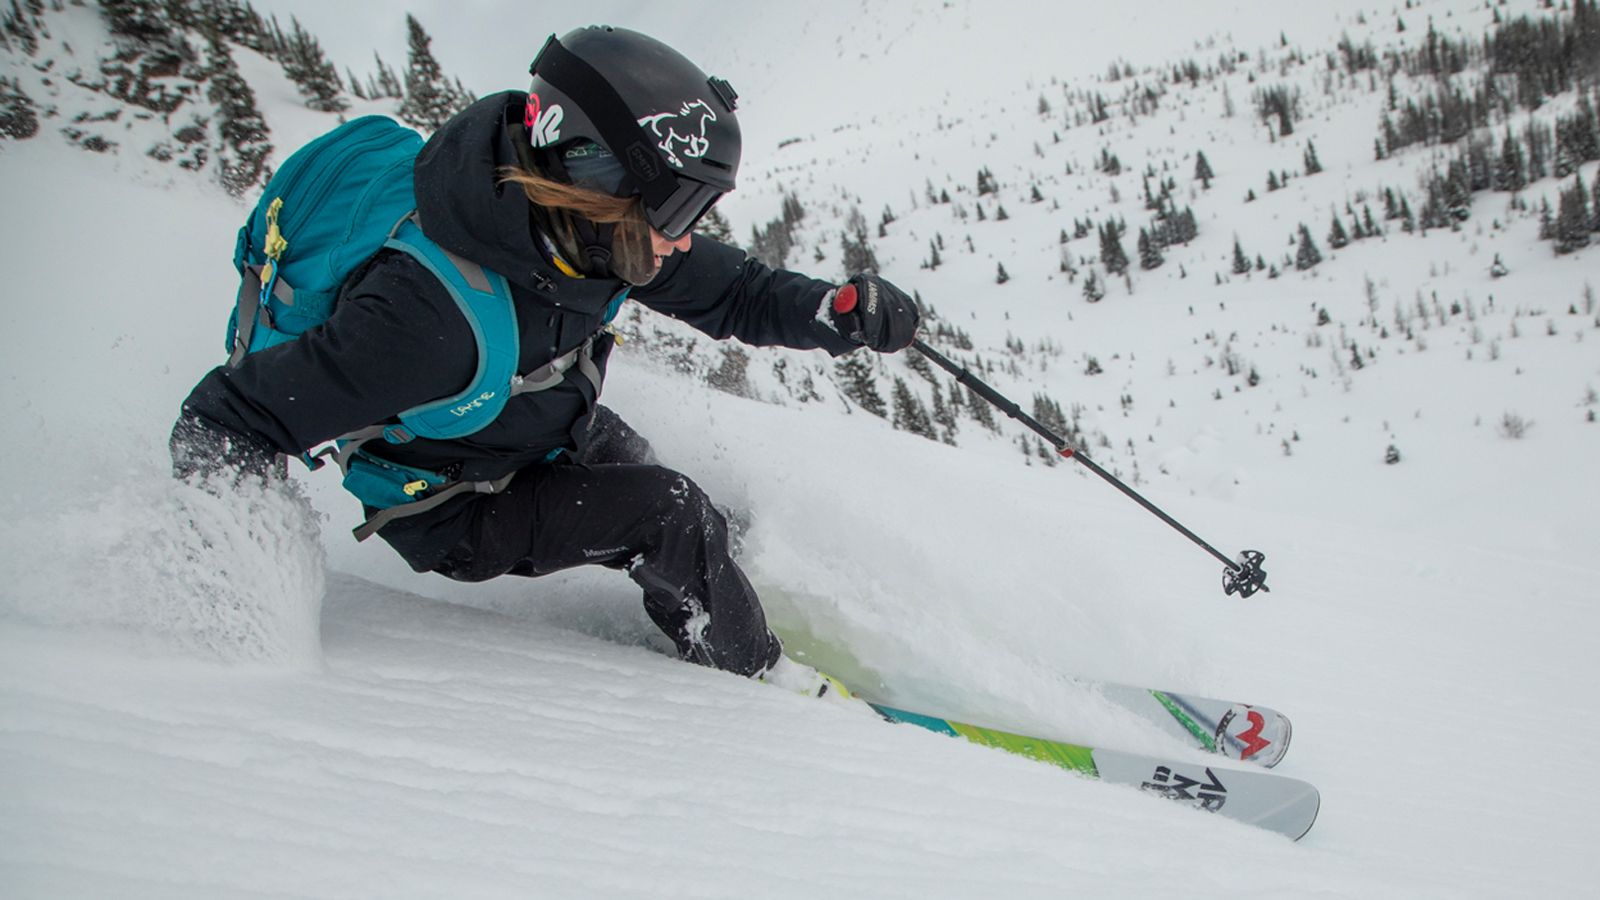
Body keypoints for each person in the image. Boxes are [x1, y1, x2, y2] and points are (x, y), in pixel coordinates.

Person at [170, 26, 920, 683]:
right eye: (679, 209)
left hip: (530, 422)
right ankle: (760, 682)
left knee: (652, 475)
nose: (686, 236)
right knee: (672, 512)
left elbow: (736, 292)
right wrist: (240, 594)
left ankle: (721, 589)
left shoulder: (586, 232)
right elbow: (227, 418)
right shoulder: (425, 323)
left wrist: (835, 313)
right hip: (455, 503)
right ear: (601, 182)